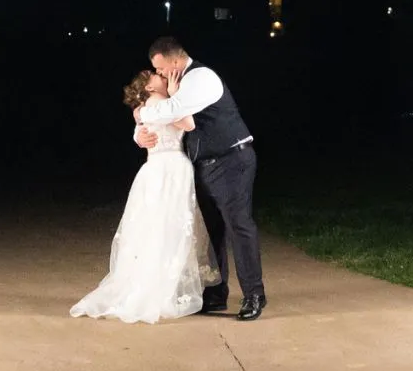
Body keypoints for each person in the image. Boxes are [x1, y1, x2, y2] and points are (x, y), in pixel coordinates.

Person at [70, 71, 220, 324]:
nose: (164, 77)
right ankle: (159, 290)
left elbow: (143, 125)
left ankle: (158, 286)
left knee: (156, 228)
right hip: (168, 168)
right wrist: (175, 96)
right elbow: (189, 124)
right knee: (167, 229)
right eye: (157, 76)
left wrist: (140, 133)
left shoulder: (146, 108)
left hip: (159, 168)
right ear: (150, 87)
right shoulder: (158, 103)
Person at [135, 36, 266, 321]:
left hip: (232, 160)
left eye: (158, 69)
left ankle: (254, 295)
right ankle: (216, 293)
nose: (157, 74)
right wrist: (140, 132)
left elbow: (176, 111)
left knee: (238, 226)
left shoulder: (200, 78)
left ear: (173, 62)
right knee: (212, 232)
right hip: (203, 165)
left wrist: (140, 110)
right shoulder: (176, 89)